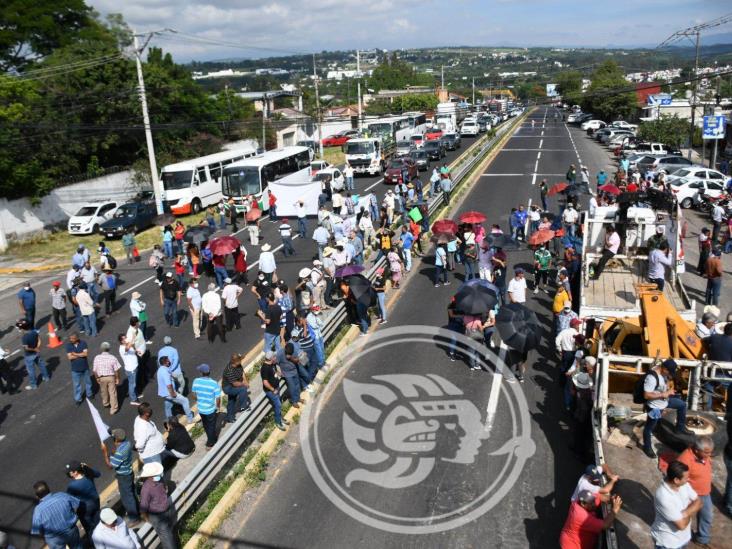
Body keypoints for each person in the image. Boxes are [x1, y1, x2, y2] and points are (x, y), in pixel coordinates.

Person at [642, 359, 692, 458]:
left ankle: (680, 428)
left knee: (682, 405)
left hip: (664, 401)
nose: (670, 375)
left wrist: (668, 391)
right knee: (649, 428)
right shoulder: (651, 378)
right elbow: (646, 395)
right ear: (664, 368)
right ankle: (647, 447)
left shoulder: (663, 374)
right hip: (655, 406)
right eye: (669, 372)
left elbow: (661, 388)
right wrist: (664, 394)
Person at [650, 460, 702, 549]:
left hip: (683, 539)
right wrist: (691, 509)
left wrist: (685, 513)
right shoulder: (664, 497)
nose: (688, 479)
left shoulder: (684, 485)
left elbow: (699, 502)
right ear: (676, 480)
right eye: (686, 478)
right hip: (668, 543)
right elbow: (681, 525)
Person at [677, 436, 714, 547]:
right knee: (684, 518)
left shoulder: (704, 455)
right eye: (707, 452)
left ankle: (702, 539)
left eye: (710, 452)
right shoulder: (685, 460)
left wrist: (707, 457)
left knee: (707, 516)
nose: (709, 455)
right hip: (691, 496)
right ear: (697, 450)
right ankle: (681, 541)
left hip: (705, 493)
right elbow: (678, 480)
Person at [101, 428, 141, 526]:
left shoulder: (120, 452)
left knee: (127, 498)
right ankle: (138, 510)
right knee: (132, 493)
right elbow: (114, 436)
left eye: (114, 437)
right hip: (129, 473)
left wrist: (105, 452)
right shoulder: (127, 443)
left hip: (123, 477)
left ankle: (134, 518)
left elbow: (110, 466)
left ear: (117, 440)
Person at [30, 481, 82, 549]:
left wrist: (45, 538)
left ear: (37, 496)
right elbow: (77, 503)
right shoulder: (62, 495)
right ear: (49, 489)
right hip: (71, 530)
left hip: (53, 539)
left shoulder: (38, 510)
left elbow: (36, 530)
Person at [138, 462, 177, 549]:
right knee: (169, 539)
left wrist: (147, 518)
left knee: (168, 538)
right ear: (151, 476)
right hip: (163, 514)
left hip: (163, 514)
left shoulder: (151, 484)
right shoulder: (152, 485)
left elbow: (143, 507)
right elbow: (143, 507)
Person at [65, 460, 101, 535]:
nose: (69, 473)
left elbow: (69, 500)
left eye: (70, 471)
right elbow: (98, 474)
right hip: (96, 503)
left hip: (84, 510)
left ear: (76, 472)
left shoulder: (72, 486)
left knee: (90, 530)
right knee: (99, 524)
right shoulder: (88, 475)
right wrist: (87, 467)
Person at [191, 364, 221, 447]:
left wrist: (200, 399)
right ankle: (210, 443)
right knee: (211, 426)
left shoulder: (196, 381)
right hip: (211, 409)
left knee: (206, 425)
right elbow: (218, 398)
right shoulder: (214, 383)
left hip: (201, 409)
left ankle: (212, 438)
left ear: (201, 372)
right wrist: (218, 407)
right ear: (209, 372)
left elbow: (193, 395)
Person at [157, 356, 194, 423]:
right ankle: (190, 419)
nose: (169, 361)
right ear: (166, 362)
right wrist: (173, 393)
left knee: (168, 405)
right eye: (168, 361)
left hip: (164, 393)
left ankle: (169, 421)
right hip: (169, 393)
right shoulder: (165, 372)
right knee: (185, 401)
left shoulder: (160, 370)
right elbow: (169, 385)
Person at [19, 319, 50, 390]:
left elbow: (27, 348)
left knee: (31, 370)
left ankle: (33, 385)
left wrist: (34, 349)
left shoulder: (24, 337)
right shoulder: (34, 332)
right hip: (36, 353)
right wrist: (37, 348)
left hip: (29, 355)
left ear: (23, 328)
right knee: (41, 365)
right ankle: (46, 377)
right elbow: (39, 340)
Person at [261, 350, 288, 431]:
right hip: (271, 391)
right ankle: (278, 422)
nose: (275, 358)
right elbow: (265, 382)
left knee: (278, 404)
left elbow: (275, 372)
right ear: (270, 358)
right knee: (278, 405)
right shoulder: (264, 368)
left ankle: (280, 418)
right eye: (274, 356)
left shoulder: (272, 364)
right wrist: (273, 390)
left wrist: (281, 374)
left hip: (276, 387)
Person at [93, 342, 122, 415]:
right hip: (111, 377)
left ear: (101, 349)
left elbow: (94, 370)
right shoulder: (112, 357)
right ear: (109, 349)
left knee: (104, 391)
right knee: (112, 393)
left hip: (102, 377)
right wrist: (117, 378)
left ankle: (105, 403)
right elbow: (116, 369)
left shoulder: (97, 357)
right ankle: (113, 409)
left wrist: (97, 378)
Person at [222, 353, 251, 424]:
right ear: (236, 361)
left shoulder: (238, 365)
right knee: (243, 389)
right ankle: (243, 407)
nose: (241, 361)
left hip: (234, 384)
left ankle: (230, 417)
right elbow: (235, 383)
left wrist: (246, 381)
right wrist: (244, 384)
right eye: (240, 360)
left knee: (232, 401)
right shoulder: (229, 370)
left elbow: (242, 373)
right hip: (228, 387)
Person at [65, 333, 93, 405]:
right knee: (76, 385)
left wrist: (75, 354)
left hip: (85, 367)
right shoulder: (68, 346)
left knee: (88, 382)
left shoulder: (83, 343)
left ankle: (89, 394)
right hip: (75, 369)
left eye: (73, 338)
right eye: (70, 338)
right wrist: (80, 355)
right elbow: (70, 357)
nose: (71, 340)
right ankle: (78, 399)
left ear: (77, 338)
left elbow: (85, 354)